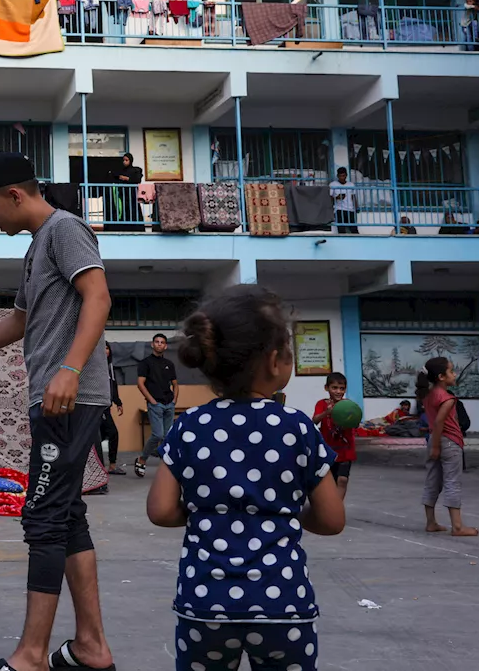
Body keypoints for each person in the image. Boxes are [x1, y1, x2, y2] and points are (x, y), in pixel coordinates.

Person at [0, 152, 116, 671]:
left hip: (68, 396)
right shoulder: (38, 246)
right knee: (66, 514)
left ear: (16, 195)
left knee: (41, 516)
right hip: (55, 395)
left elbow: (99, 298)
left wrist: (71, 369)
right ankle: (91, 647)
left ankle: (32, 655)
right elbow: (19, 320)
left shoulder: (65, 229)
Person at [146, 285, 346, 671]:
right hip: (283, 602)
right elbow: (332, 519)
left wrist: (209, 514)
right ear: (275, 361)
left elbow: (160, 511)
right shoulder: (297, 427)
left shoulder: (189, 426)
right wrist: (286, 514)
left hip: (205, 603)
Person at [417, 357, 478, 537]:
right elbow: (438, 423)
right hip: (449, 442)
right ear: (441, 376)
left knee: (432, 481)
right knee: (452, 482)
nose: (454, 374)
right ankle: (458, 527)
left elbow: (434, 425)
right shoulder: (448, 398)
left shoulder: (427, 396)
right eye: (451, 371)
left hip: (433, 440)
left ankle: (431, 522)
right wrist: (436, 446)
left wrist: (433, 445)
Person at [132, 333, 179, 479]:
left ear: (165, 346)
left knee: (167, 436)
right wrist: (152, 400)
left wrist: (174, 401)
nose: (159, 344)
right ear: (152, 344)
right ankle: (142, 460)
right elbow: (140, 384)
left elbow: (175, 385)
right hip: (156, 404)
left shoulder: (169, 364)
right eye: (157, 342)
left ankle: (167, 466)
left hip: (169, 404)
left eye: (162, 342)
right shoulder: (145, 363)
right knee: (157, 434)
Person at [312, 372, 356, 500]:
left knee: (342, 480)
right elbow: (314, 421)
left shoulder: (348, 405)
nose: (338, 391)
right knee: (328, 482)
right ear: (327, 388)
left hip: (345, 450)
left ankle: (337, 508)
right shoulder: (322, 404)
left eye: (342, 388)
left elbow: (355, 422)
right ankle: (329, 507)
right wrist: (327, 412)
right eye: (334, 388)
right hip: (328, 451)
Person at [92, 343, 125, 486]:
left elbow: (113, 386)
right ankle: (98, 469)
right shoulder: (95, 366)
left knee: (113, 434)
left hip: (107, 407)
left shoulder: (110, 367)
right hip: (97, 407)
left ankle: (112, 465)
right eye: (103, 348)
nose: (105, 351)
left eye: (107, 348)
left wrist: (118, 402)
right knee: (97, 438)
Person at [330, 167, 358, 234]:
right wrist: (337, 197)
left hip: (350, 210)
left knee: (354, 229)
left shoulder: (351, 185)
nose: (342, 178)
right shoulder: (333, 184)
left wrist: (356, 207)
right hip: (339, 209)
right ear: (337, 176)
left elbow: (353, 197)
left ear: (346, 175)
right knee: (341, 229)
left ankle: (357, 243)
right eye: (340, 176)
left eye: (343, 176)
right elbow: (329, 198)